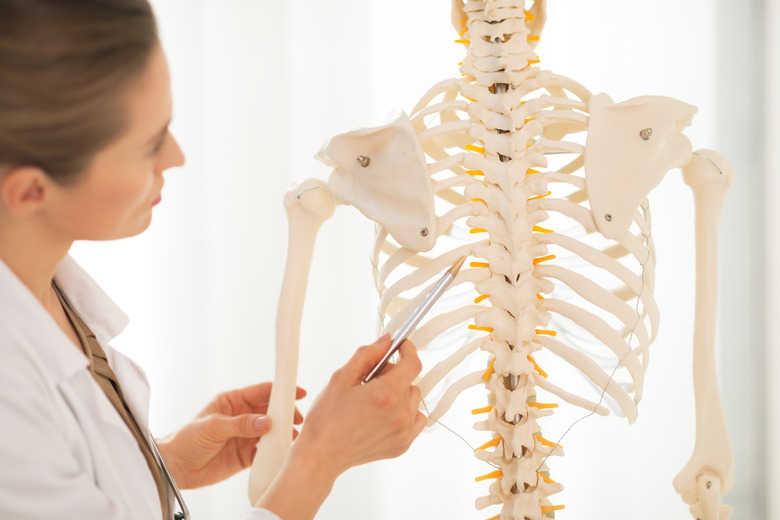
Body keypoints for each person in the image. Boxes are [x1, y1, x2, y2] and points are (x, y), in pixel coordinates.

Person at [0, 1, 427, 519]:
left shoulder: (46, 291)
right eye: (148, 144)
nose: (176, 156)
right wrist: (320, 457)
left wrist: (157, 466)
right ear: (28, 191)